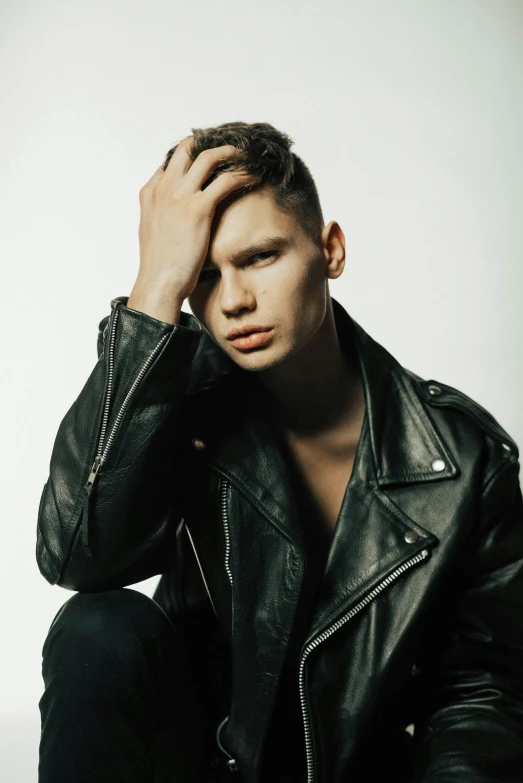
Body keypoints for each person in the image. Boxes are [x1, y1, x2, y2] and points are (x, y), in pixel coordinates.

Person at [37, 121, 523, 783]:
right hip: (206, 760)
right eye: (203, 275)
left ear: (330, 250)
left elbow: (482, 689)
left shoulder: (465, 458)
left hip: (364, 769)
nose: (233, 300)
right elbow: (75, 552)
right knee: (99, 625)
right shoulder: (183, 404)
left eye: (261, 256)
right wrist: (153, 293)